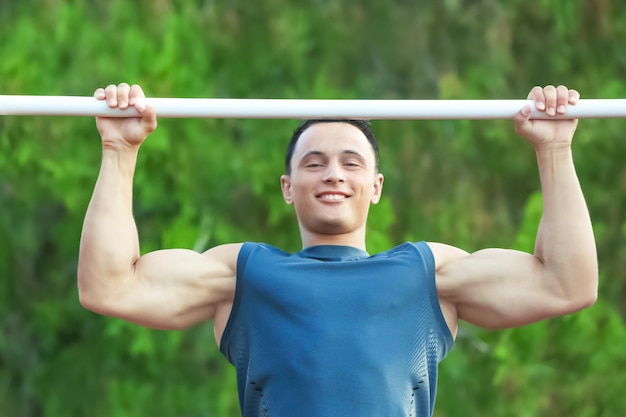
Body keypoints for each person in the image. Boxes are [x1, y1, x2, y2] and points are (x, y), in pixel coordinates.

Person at [77, 83, 598, 417]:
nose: (333, 174)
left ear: (375, 186)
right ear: (287, 187)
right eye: (314, 162)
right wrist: (118, 151)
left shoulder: (427, 274)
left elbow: (566, 283)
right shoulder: (243, 274)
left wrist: (554, 150)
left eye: (352, 162)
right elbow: (110, 285)